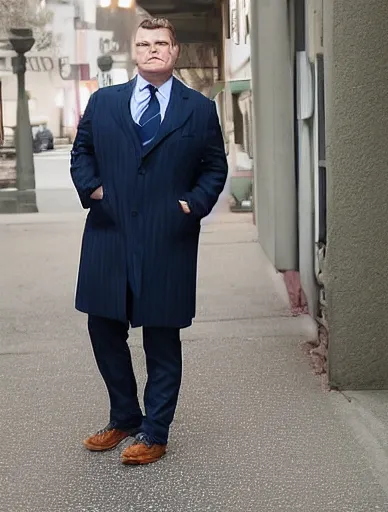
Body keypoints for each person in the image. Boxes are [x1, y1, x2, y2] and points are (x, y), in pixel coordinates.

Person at [70, 17, 228, 465]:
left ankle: (154, 432)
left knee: (162, 336)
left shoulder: (198, 109)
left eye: (161, 43)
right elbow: (81, 152)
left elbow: (214, 166)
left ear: (174, 52)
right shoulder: (103, 102)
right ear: (134, 52)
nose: (153, 49)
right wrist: (93, 190)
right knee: (103, 328)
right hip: (108, 234)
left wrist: (192, 205)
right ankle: (123, 416)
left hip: (166, 238)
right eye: (144, 43)